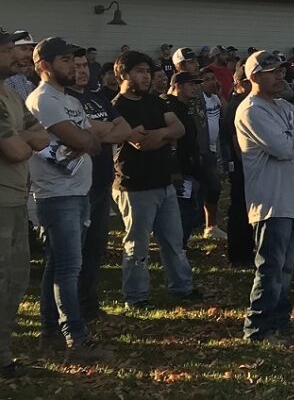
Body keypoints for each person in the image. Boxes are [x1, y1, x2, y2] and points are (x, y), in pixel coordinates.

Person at [26, 37, 113, 361]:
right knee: (68, 268)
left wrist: (87, 140)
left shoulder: (71, 101)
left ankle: (49, 331)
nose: (74, 67)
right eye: (64, 61)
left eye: (75, 61)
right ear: (44, 66)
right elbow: (86, 139)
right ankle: (75, 338)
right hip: (57, 194)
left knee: (57, 266)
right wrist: (87, 140)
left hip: (77, 192)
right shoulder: (44, 100)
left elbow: (93, 137)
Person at [236, 50, 294, 342]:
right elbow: (283, 148)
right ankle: (258, 328)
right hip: (269, 202)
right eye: (272, 71)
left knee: (285, 267)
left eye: (280, 70)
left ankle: (280, 320)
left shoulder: (284, 106)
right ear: (254, 77)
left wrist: (293, 136)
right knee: (270, 267)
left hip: (291, 199)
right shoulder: (251, 110)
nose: (280, 75)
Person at [111, 51, 197, 310]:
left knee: (173, 241)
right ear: (123, 75)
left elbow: (178, 129)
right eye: (139, 71)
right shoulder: (117, 106)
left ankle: (182, 287)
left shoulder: (156, 102)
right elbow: (141, 143)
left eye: (148, 71)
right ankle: (136, 297)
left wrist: (160, 133)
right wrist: (165, 134)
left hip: (163, 183)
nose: (146, 76)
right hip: (134, 185)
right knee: (137, 246)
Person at [68, 49, 135, 322]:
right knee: (73, 253)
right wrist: (105, 129)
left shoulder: (98, 98)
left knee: (95, 249)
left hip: (101, 183)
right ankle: (69, 311)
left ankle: (89, 303)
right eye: (76, 66)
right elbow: (78, 130)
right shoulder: (62, 100)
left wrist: (94, 129)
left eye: (85, 65)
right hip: (74, 186)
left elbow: (125, 130)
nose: (83, 71)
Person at [0, 29, 51, 379]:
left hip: (15, 199)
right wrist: (25, 139)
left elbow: (42, 134)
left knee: (16, 281)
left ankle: (3, 356)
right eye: (7, 51)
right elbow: (18, 149)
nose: (17, 56)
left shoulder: (10, 94)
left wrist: (24, 138)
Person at [166, 72, 206, 250]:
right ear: (177, 86)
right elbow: (171, 142)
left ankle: (182, 243)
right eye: (190, 84)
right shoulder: (169, 107)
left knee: (190, 209)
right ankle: (177, 246)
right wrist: (174, 170)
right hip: (178, 169)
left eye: (196, 84)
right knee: (182, 210)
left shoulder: (184, 107)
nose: (195, 87)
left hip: (190, 167)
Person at [221, 67, 255, 268]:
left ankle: (246, 250)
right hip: (241, 166)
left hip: (247, 167)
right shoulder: (238, 104)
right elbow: (236, 141)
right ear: (240, 83)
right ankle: (238, 254)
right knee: (240, 209)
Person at [199, 69, 226, 240]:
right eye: (206, 79)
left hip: (214, 149)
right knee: (210, 186)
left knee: (214, 187)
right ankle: (207, 224)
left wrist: (221, 94)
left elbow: (227, 112)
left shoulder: (215, 98)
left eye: (212, 78)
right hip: (202, 149)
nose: (211, 82)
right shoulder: (198, 100)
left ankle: (211, 225)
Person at [4, 31, 36, 101]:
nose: (29, 54)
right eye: (23, 49)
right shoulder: (5, 78)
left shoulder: (22, 78)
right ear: (10, 49)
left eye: (31, 49)